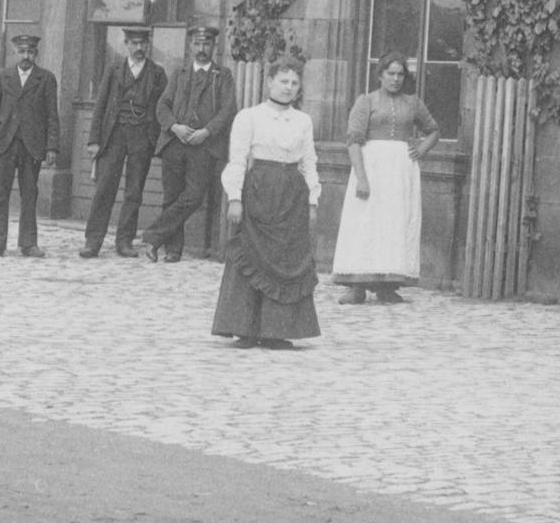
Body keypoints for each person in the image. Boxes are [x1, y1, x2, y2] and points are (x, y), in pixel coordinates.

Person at [213, 61, 322, 348]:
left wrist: (313, 198)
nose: (289, 88)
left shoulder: (303, 121)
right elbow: (237, 159)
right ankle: (245, 328)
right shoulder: (249, 117)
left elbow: (309, 161)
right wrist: (234, 198)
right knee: (251, 254)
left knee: (287, 258)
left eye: (294, 83)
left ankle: (277, 331)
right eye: (283, 81)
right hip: (258, 191)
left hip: (291, 195)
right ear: (270, 82)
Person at [331, 56, 442, 302]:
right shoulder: (366, 101)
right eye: (390, 74)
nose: (395, 79)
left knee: (394, 225)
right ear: (380, 75)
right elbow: (353, 141)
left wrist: (421, 149)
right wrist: (361, 178)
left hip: (400, 172)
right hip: (372, 168)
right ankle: (356, 285)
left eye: (400, 74)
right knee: (365, 223)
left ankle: (387, 285)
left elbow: (433, 130)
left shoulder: (412, 103)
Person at [141, 25, 237, 263]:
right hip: (175, 142)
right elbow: (162, 106)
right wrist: (174, 126)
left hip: (202, 147)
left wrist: (206, 132)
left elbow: (228, 110)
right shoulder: (180, 73)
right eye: (197, 44)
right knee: (171, 197)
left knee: (193, 196)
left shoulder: (222, 75)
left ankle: (153, 236)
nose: (202, 49)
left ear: (214, 46)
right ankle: (173, 250)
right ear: (190, 46)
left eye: (206, 44)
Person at [81, 27, 167, 258]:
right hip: (114, 134)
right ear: (126, 44)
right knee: (104, 187)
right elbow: (101, 105)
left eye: (143, 44)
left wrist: (157, 141)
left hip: (142, 137)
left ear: (148, 45)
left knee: (134, 191)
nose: (139, 48)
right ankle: (93, 241)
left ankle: (124, 241)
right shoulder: (114, 69)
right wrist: (94, 140)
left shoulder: (157, 73)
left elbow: (163, 108)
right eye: (134, 43)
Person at [0, 30, 58, 257]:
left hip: (32, 146)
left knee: (29, 194)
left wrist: (52, 147)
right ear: (14, 52)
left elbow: (52, 115)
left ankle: (28, 243)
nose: (26, 56)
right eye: (21, 51)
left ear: (36, 54)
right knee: (0, 194)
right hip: (3, 144)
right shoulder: (3, 77)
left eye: (30, 52)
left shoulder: (46, 79)